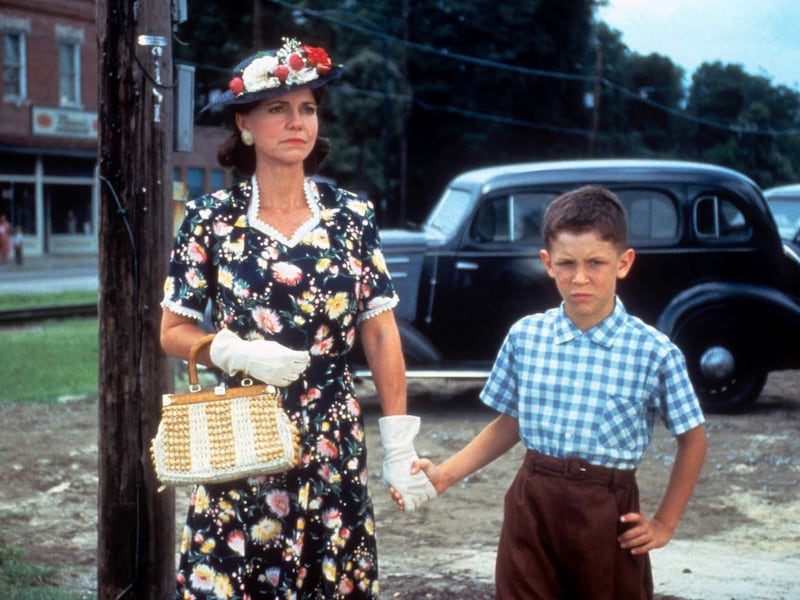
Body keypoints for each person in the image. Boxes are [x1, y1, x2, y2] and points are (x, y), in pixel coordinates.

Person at [160, 38, 435, 599]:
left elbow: (380, 334)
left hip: (332, 437)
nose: (296, 122)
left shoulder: (352, 217)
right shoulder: (211, 220)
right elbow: (172, 331)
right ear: (244, 123)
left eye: (307, 108)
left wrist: (400, 444)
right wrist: (234, 351)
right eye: (278, 109)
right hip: (243, 435)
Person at [401, 186, 708, 599]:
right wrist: (443, 476)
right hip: (532, 505)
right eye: (567, 264)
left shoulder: (654, 351)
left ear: (624, 262)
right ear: (547, 263)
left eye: (596, 263)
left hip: (608, 511)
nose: (580, 277)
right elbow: (509, 422)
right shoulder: (526, 336)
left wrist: (665, 523)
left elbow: (693, 439)